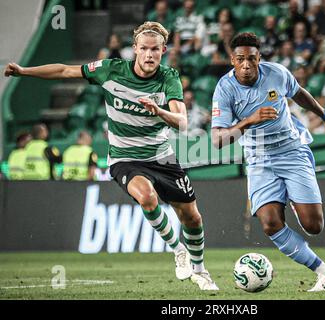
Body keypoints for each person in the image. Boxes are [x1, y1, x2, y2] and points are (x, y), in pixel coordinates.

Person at [4, 21, 218, 290]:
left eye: (155, 49)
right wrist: (24, 71)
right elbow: (64, 70)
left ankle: (200, 271)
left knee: (192, 218)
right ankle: (178, 251)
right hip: (124, 158)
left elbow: (183, 121)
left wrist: (159, 112)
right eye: (144, 49)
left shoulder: (169, 77)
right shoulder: (111, 70)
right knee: (148, 198)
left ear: (163, 50)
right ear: (135, 50)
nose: (149, 54)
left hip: (162, 157)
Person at [211, 32, 325, 292]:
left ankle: (294, 199)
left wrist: (324, 114)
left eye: (251, 58)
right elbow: (217, 140)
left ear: (259, 57)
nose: (246, 64)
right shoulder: (224, 89)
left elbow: (299, 92)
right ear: (232, 60)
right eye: (240, 59)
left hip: (292, 152)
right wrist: (249, 120)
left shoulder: (277, 74)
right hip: (259, 159)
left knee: (313, 226)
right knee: (270, 223)